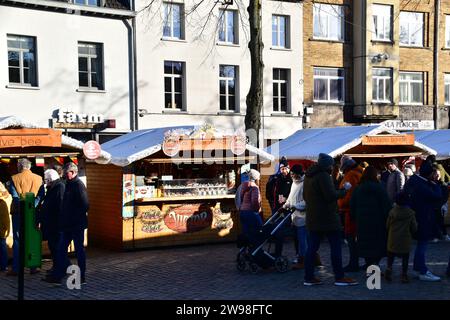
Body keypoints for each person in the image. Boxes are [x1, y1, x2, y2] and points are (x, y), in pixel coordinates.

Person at [303, 153, 357, 286]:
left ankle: (308, 277)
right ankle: (339, 277)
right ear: (327, 165)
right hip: (327, 218)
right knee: (335, 247)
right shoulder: (323, 176)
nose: (333, 167)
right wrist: (344, 190)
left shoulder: (308, 176)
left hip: (312, 217)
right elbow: (330, 196)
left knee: (312, 248)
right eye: (331, 165)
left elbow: (305, 196)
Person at [44, 162, 89, 285]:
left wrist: (73, 217)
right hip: (67, 225)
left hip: (76, 225)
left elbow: (85, 205)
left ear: (73, 172)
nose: (64, 175)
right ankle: (58, 276)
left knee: (79, 251)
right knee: (60, 250)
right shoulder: (68, 184)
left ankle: (81, 277)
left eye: (66, 173)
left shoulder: (78, 185)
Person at [403, 160, 442, 281]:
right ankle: (422, 270)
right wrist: (436, 184)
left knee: (420, 244)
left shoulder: (413, 181)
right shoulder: (423, 184)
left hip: (414, 216)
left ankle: (418, 268)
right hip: (423, 217)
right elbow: (437, 195)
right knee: (422, 244)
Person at [6, 158, 44, 276]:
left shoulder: (14, 178)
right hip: (33, 212)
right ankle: (33, 267)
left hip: (18, 213)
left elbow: (15, 196)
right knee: (32, 238)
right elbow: (41, 195)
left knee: (17, 240)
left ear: (19, 167)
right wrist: (32, 205)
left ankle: (16, 268)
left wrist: (22, 206)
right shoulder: (39, 179)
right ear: (29, 167)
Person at [350, 166, 392, 269]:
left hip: (362, 221)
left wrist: (355, 217)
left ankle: (369, 264)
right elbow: (386, 205)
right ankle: (374, 264)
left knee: (366, 244)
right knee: (378, 244)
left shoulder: (358, 188)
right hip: (378, 222)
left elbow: (352, 205)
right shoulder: (380, 187)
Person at [36, 169, 66, 274]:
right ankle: (58, 267)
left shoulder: (59, 188)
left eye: (46, 180)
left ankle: (59, 269)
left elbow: (60, 206)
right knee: (53, 247)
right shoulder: (52, 188)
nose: (45, 182)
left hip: (55, 224)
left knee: (56, 247)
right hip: (51, 224)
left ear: (51, 179)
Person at [385, 192, 418, 284]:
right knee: (405, 258)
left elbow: (387, 225)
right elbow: (414, 227)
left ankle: (389, 268)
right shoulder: (410, 213)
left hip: (393, 238)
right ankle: (404, 275)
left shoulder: (392, 212)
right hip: (405, 239)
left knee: (390, 256)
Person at [338, 156, 364, 272]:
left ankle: (353, 263)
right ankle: (357, 262)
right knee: (355, 238)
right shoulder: (360, 173)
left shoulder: (351, 175)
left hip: (350, 211)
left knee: (351, 238)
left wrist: (340, 203)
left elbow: (348, 196)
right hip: (358, 211)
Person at [283, 164, 307, 269]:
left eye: (293, 174)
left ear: (298, 174)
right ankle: (304, 257)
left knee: (303, 240)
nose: (291, 176)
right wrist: (286, 204)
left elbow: (306, 201)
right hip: (295, 216)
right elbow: (291, 197)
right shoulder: (294, 183)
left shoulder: (305, 184)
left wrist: (295, 206)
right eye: (291, 174)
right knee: (297, 240)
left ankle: (304, 259)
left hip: (303, 217)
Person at [237, 169, 262, 242]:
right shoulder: (254, 188)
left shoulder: (243, 185)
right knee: (258, 230)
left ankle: (245, 250)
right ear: (255, 178)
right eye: (259, 177)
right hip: (250, 212)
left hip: (243, 212)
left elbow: (240, 198)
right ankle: (255, 250)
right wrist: (257, 210)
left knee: (246, 233)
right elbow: (254, 202)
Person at [430, 169, 450, 242]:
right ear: (433, 174)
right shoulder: (430, 183)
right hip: (432, 205)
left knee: (441, 220)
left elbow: (446, 195)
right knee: (433, 221)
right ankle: (436, 236)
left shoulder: (442, 184)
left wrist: (442, 203)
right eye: (436, 174)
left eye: (438, 174)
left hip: (440, 205)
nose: (437, 175)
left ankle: (444, 234)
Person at [0, 182, 12, 272]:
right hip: (4, 229)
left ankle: (3, 266)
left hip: (2, 229)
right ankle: (3, 266)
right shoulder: (7, 198)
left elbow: (5, 218)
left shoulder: (2, 201)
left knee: (2, 246)